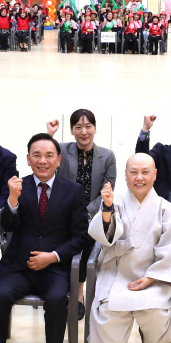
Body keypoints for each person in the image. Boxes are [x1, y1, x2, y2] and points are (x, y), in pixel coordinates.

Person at [0, 133, 88, 343]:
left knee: (57, 300)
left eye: (49, 155)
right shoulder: (19, 186)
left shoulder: (73, 191)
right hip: (18, 266)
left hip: (53, 268)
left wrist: (52, 256)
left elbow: (79, 238)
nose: (43, 160)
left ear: (58, 160)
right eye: (37, 155)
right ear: (29, 159)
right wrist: (12, 200)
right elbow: (7, 227)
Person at [88, 154, 171, 343]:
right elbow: (104, 237)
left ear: (154, 175)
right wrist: (107, 209)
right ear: (125, 175)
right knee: (108, 308)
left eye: (145, 172)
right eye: (134, 172)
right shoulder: (116, 201)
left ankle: (149, 340)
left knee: (155, 309)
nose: (139, 177)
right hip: (117, 272)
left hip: (152, 276)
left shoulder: (166, 209)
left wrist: (151, 278)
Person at [46, 110, 117, 319]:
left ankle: (77, 294)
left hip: (90, 215)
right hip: (62, 210)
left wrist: (86, 211)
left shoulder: (108, 156)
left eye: (88, 126)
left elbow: (108, 188)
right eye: (78, 127)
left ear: (95, 129)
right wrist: (49, 134)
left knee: (85, 235)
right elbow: (45, 163)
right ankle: (54, 284)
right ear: (71, 130)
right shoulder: (61, 150)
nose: (83, 131)